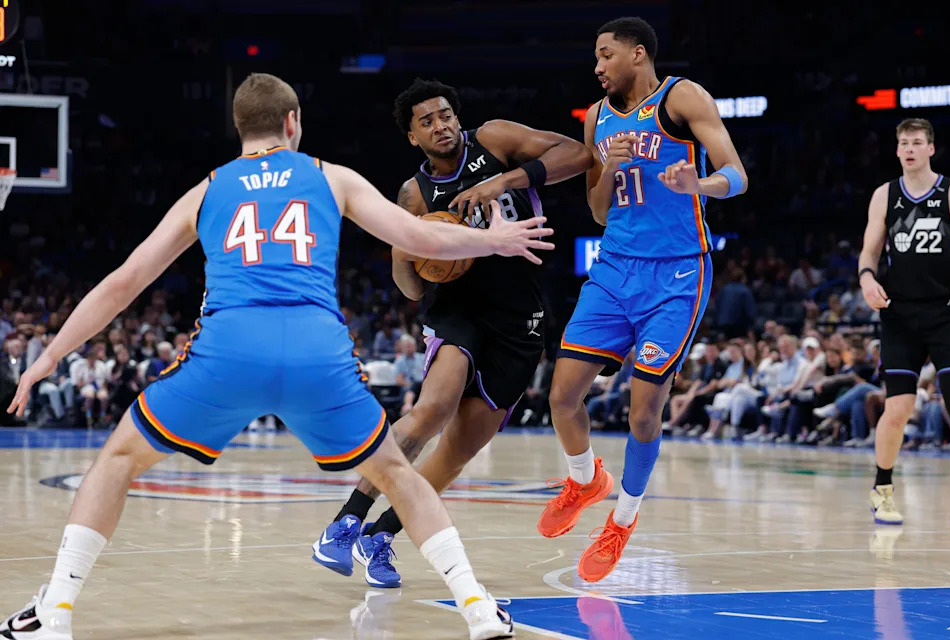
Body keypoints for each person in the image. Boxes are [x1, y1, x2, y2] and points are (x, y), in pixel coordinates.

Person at [0, 72, 556, 640]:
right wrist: (497, 240)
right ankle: (476, 608)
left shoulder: (208, 190)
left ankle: (54, 613)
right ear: (293, 123)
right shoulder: (329, 177)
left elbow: (124, 283)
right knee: (395, 474)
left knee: (116, 460)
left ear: (240, 129)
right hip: (317, 352)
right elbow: (422, 240)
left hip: (228, 352)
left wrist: (50, 357)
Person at [312, 78, 592, 589]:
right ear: (413, 138)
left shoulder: (496, 140)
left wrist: (500, 184)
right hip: (456, 311)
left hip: (520, 317)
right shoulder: (413, 194)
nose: (441, 125)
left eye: (445, 115)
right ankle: (345, 521)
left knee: (457, 451)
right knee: (431, 411)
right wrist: (403, 252)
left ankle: (381, 535)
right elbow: (412, 289)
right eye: (427, 121)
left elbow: (577, 153)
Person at [538, 16, 747, 583]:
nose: (598, 66)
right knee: (561, 398)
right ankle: (585, 481)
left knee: (644, 409)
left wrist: (698, 186)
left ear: (637, 53)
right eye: (595, 58)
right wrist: (611, 165)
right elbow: (599, 211)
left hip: (678, 274)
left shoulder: (682, 96)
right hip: (613, 272)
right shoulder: (596, 118)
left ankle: (622, 519)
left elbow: (737, 173)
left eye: (605, 55)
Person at [857, 117, 950, 525]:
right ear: (897, 150)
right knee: (898, 408)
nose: (911, 149)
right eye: (904, 143)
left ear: (931, 148)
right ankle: (882, 488)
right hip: (899, 315)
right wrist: (866, 279)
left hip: (947, 311)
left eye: (918, 142)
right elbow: (869, 252)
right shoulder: (885, 195)